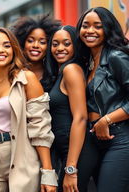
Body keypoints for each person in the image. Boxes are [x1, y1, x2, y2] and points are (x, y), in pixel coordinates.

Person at [0, 27, 57, 192]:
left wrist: (48, 173)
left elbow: (41, 128)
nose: (0, 50)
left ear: (14, 49)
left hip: (21, 154)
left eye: (6, 45)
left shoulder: (26, 79)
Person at [76, 6, 129, 192]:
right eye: (85, 26)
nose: (90, 31)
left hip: (120, 138)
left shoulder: (116, 57)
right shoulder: (86, 62)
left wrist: (106, 119)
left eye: (97, 26)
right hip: (94, 139)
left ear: (107, 29)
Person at [44, 25, 98, 192]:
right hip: (68, 149)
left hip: (77, 150)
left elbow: (81, 118)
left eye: (66, 43)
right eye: (55, 44)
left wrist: (71, 169)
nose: (60, 48)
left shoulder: (71, 70)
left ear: (75, 45)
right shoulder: (61, 71)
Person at [11, 15, 60, 83]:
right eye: (30, 41)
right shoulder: (13, 72)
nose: (35, 45)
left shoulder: (56, 73)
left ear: (48, 46)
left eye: (42, 42)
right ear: (22, 43)